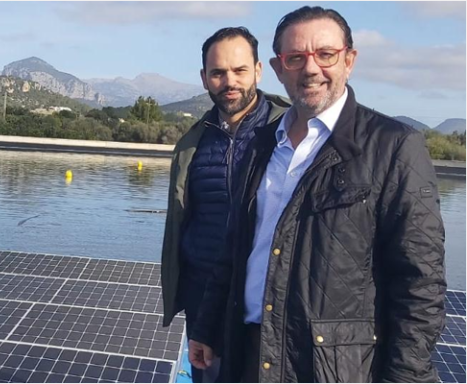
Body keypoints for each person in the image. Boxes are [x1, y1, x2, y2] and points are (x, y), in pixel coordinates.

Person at [188, 6, 447, 383]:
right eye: (296, 58)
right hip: (249, 352)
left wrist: (405, 377)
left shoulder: (394, 147)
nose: (311, 68)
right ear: (278, 69)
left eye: (325, 54)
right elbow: (235, 250)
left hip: (330, 368)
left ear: (349, 60)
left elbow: (420, 283)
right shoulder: (262, 145)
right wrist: (208, 326)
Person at [160, 27, 290, 383]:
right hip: (203, 300)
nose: (229, 81)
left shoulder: (289, 134)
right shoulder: (193, 143)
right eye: (218, 73)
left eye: (239, 70)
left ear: (259, 70)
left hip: (268, 306)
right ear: (204, 78)